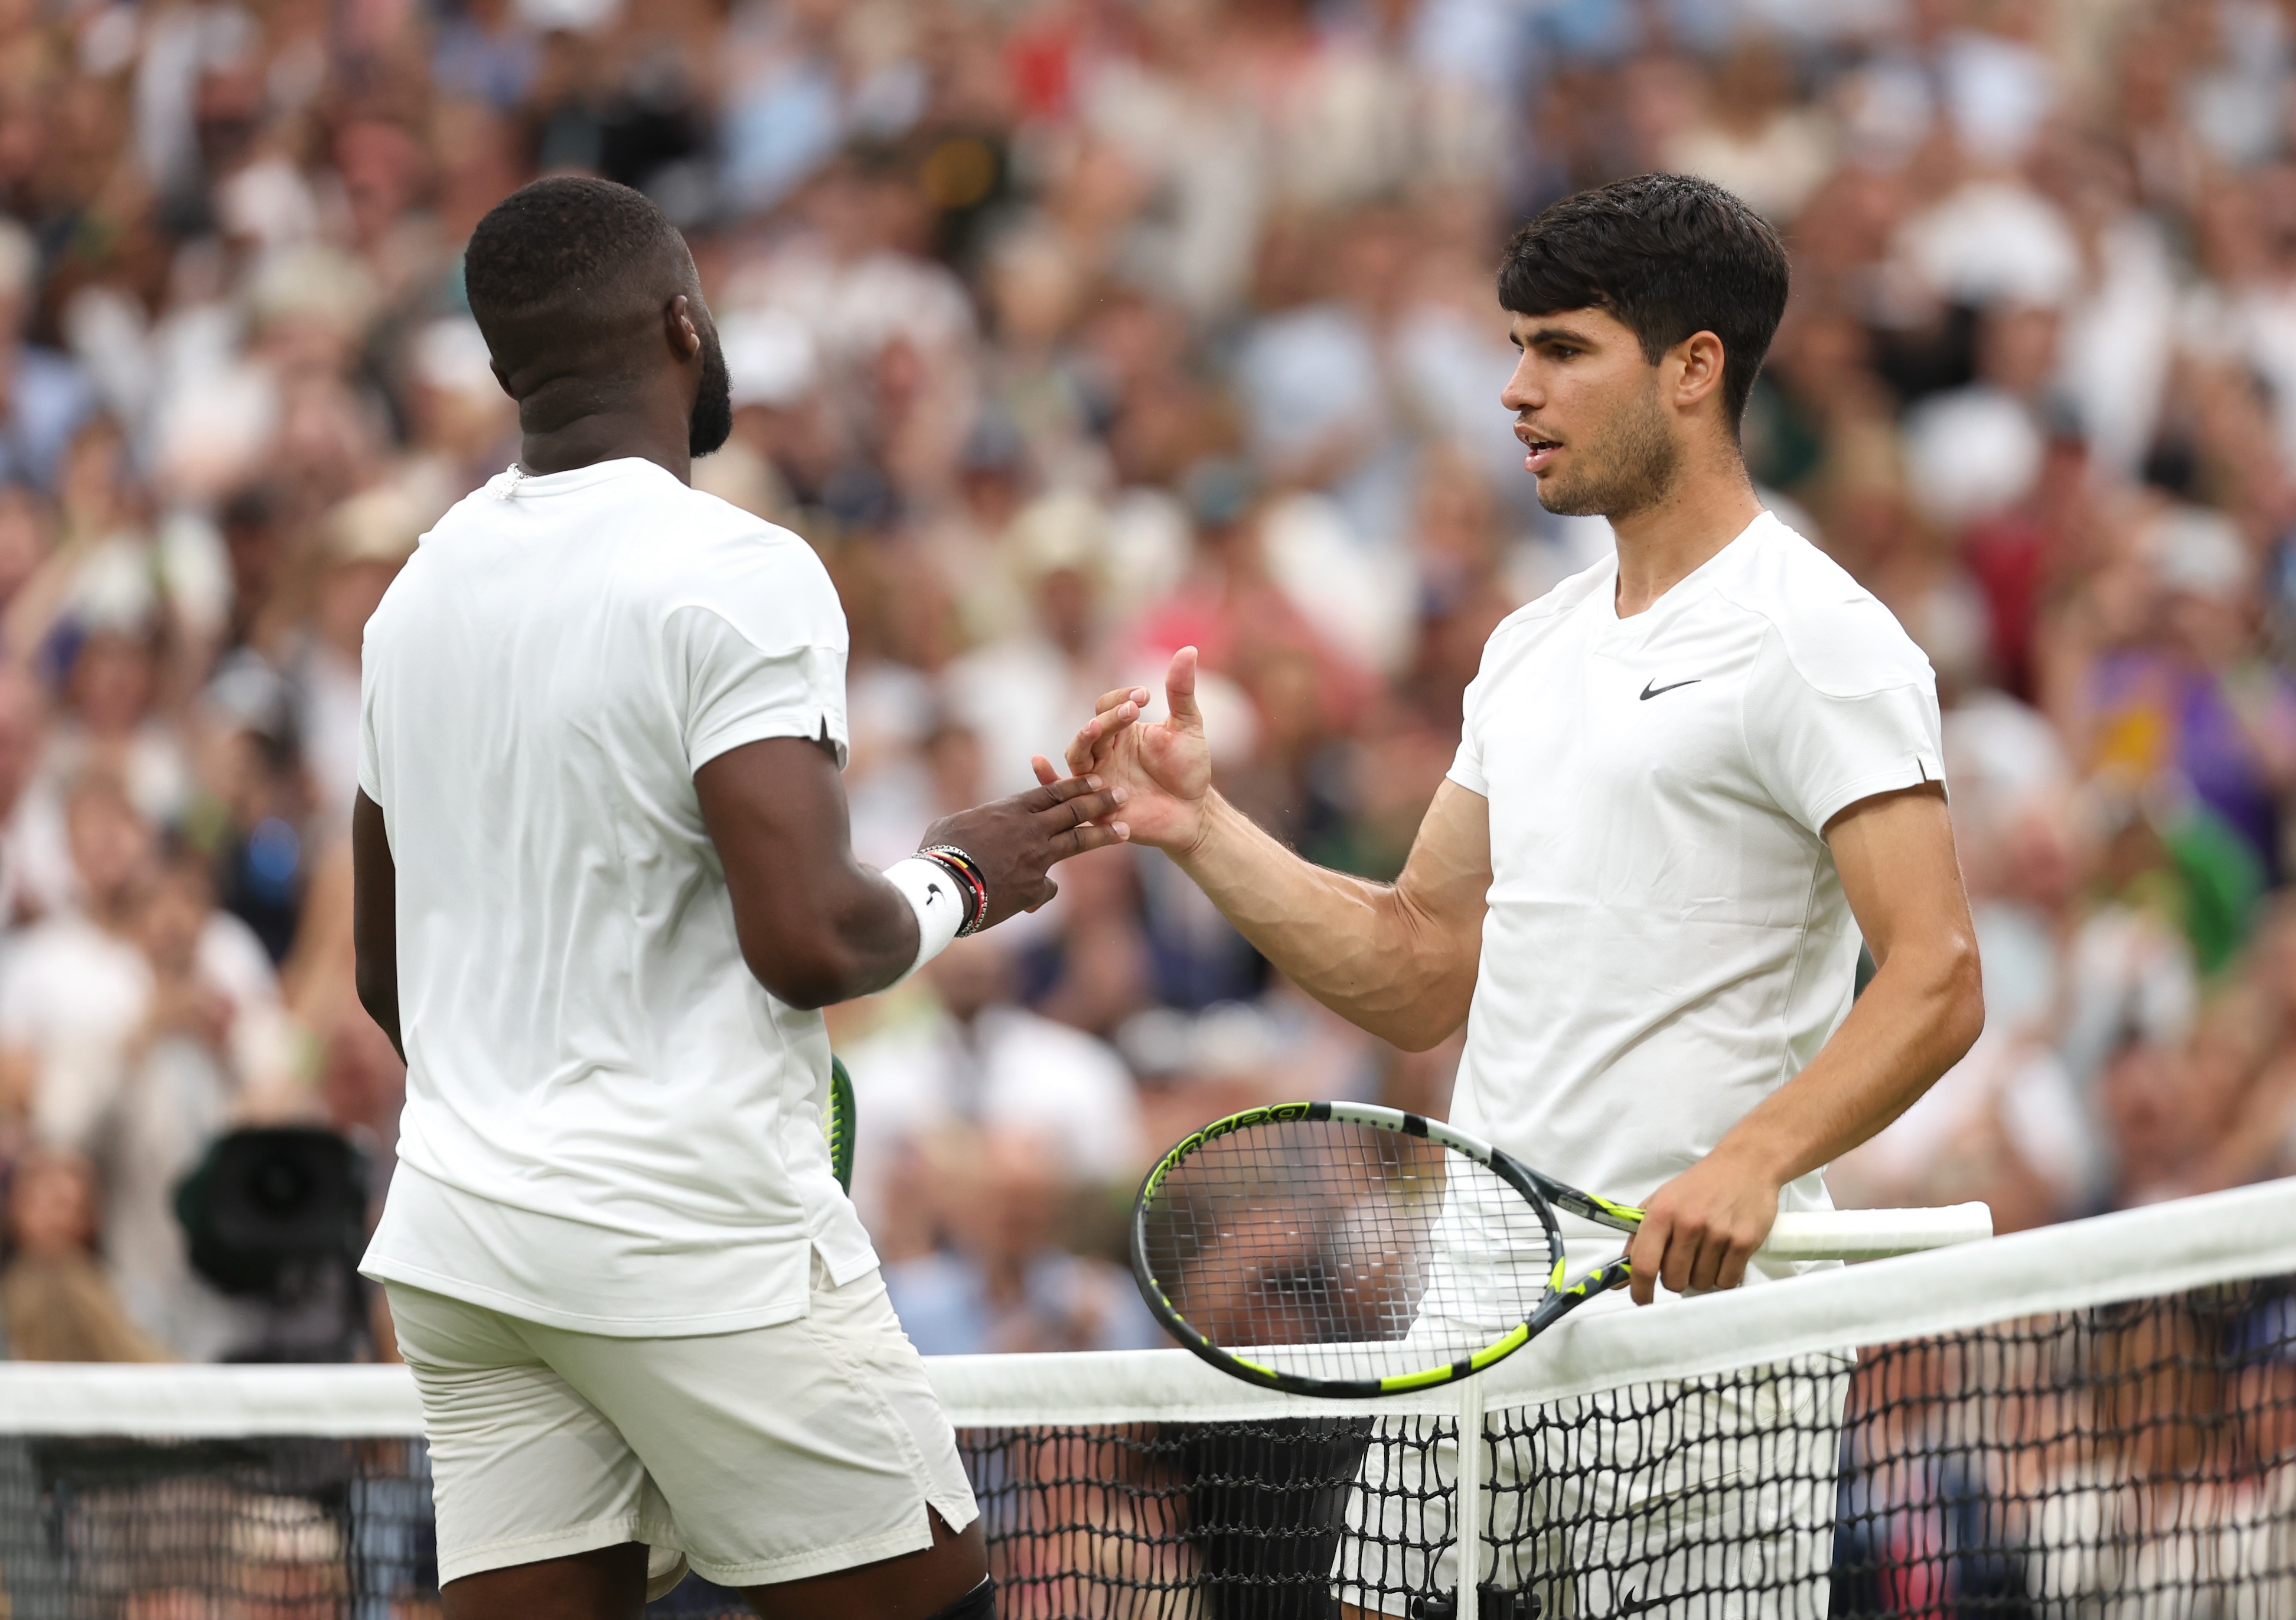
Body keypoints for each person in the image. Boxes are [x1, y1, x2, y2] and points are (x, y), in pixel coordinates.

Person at [1054, 174, 1985, 1617]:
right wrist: (1199, 828)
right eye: (1514, 346)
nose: (1513, 390)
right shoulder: (1529, 648)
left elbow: (1935, 974)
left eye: (1560, 350)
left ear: (1693, 369)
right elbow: (1423, 960)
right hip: (1483, 1301)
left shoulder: (1822, 639)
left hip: (1704, 1346)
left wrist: (1751, 1159)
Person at [350, 177, 1130, 1620]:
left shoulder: (413, 597)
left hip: (463, 1244)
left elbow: (387, 979)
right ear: (685, 328)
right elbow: (808, 938)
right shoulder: (738, 569)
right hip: (688, 1234)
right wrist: (964, 875)